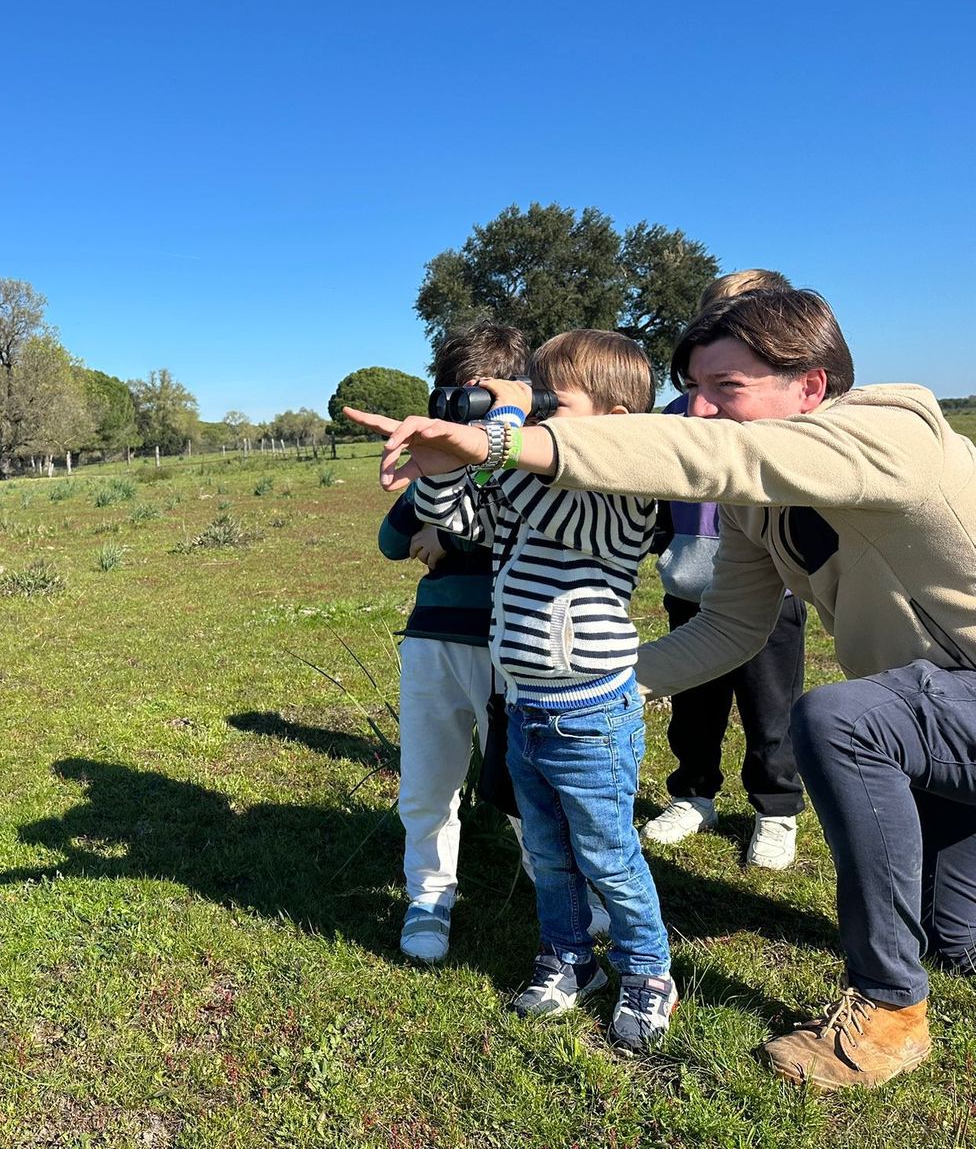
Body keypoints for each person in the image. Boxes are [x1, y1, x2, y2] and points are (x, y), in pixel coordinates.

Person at [345, 285, 976, 1089]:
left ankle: (888, 1007)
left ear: (811, 386)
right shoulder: (758, 511)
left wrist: (503, 435)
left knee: (841, 720)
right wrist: (602, 686)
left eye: (727, 387)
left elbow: (713, 456)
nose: (699, 410)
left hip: (952, 698)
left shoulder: (895, 435)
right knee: (955, 939)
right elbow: (732, 628)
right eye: (694, 389)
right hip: (940, 716)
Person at [409, 330, 675, 1051]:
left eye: (553, 402)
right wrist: (440, 467)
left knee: (608, 852)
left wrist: (501, 427)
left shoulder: (626, 502)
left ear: (617, 422)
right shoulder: (530, 493)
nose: (537, 414)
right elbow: (461, 520)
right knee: (551, 855)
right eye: (535, 399)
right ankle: (568, 957)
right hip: (527, 706)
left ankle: (648, 970)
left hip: (591, 714)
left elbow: (536, 494)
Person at [644, 269, 808, 869]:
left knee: (772, 708)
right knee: (693, 705)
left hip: (773, 591)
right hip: (691, 586)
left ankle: (776, 810)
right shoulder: (679, 413)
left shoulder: (785, 417)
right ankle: (693, 795)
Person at [378, 323, 532, 963]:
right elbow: (391, 541)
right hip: (434, 639)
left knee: (523, 779)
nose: (466, 413)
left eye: (482, 397)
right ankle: (428, 895)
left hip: (514, 643)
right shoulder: (437, 464)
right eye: (456, 396)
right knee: (426, 779)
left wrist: (449, 536)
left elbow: (533, 532)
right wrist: (436, 477)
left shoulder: (531, 463)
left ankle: (557, 883)